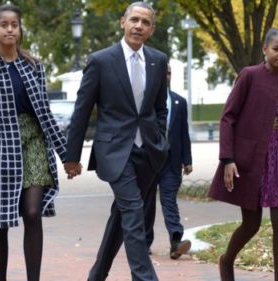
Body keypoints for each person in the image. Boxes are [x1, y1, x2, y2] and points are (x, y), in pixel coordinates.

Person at [64, 2, 168, 281]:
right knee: (134, 212)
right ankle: (145, 278)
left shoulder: (159, 60)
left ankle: (97, 276)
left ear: (151, 29)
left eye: (145, 22)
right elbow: (82, 110)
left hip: (147, 152)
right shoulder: (101, 60)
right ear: (123, 22)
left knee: (122, 216)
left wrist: (160, 140)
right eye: (134, 20)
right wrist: (72, 156)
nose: (139, 26)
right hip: (113, 151)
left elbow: (160, 108)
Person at [208, 28, 278, 281]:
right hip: (251, 157)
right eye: (276, 49)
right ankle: (227, 260)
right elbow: (228, 117)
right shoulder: (249, 76)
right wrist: (227, 159)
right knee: (252, 223)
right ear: (265, 49)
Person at [0, 4, 67, 281]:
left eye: (15, 25)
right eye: (4, 25)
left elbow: (45, 112)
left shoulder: (34, 65)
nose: (10, 29)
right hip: (1, 148)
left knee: (32, 212)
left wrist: (65, 154)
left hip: (34, 141)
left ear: (20, 29)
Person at [144, 65, 193, 259]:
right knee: (147, 204)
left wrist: (187, 160)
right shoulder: (145, 101)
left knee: (169, 201)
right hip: (149, 161)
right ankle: (144, 242)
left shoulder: (179, 102)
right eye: (163, 72)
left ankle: (176, 242)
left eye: (169, 73)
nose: (166, 76)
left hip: (171, 162)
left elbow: (183, 133)